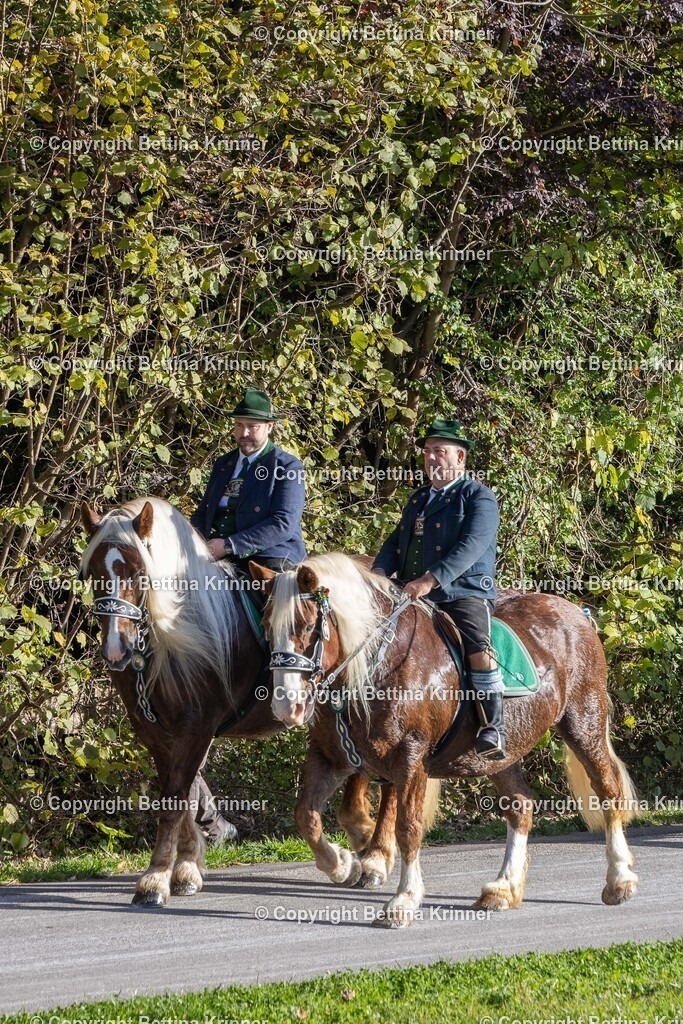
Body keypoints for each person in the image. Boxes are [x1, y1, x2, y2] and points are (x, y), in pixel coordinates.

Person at [189, 387, 307, 842]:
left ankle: (274, 679)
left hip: (269, 562)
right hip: (216, 561)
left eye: (252, 426)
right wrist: (195, 544)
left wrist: (229, 546)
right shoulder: (223, 465)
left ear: (269, 428)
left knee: (280, 624)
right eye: (239, 425)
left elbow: (283, 524)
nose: (243, 432)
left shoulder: (286, 465)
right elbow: (204, 515)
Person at [372, 418, 505, 759]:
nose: (431, 458)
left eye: (439, 452)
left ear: (460, 458)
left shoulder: (479, 497)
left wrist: (429, 580)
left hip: (462, 591)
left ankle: (493, 726)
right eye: (428, 452)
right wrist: (378, 574)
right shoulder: (418, 500)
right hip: (411, 590)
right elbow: (395, 542)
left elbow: (471, 547)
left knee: (478, 645)